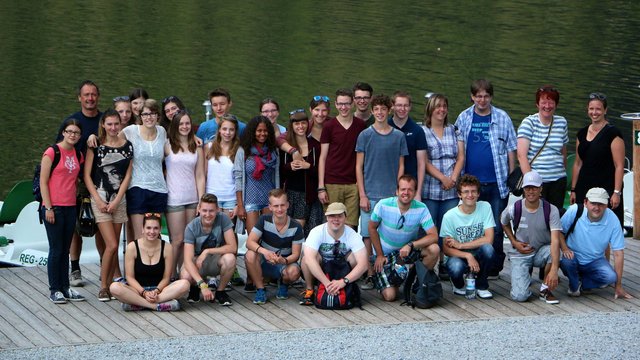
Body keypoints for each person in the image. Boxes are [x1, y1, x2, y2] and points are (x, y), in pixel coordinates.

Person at [455, 79, 517, 278]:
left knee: (497, 227)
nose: (482, 100)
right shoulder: (464, 117)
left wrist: (511, 176)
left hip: (497, 183)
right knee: (471, 226)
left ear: (491, 96)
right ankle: (471, 263)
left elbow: (510, 149)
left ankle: (494, 266)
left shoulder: (502, 117)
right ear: (472, 97)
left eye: (486, 96)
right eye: (478, 96)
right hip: (472, 185)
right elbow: (460, 150)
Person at [355, 94, 408, 288]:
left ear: (389, 111)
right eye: (376, 109)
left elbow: (401, 165)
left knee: (389, 231)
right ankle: (370, 273)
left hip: (390, 194)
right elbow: (358, 167)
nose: (379, 113)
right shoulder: (365, 135)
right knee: (368, 234)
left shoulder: (398, 136)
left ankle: (389, 269)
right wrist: (362, 194)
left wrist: (398, 188)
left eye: (383, 109)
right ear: (372, 111)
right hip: (370, 193)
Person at [56, 80, 103, 288]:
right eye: (86, 95)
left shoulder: (105, 120)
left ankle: (106, 266)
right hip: (77, 182)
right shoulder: (71, 122)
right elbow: (60, 150)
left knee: (102, 226)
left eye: (93, 94)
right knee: (77, 227)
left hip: (103, 180)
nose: (90, 98)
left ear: (98, 97)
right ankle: (74, 268)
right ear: (80, 98)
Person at [84, 109, 134, 301]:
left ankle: (112, 283)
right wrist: (97, 198)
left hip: (118, 200)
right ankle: (104, 286)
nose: (113, 128)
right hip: (100, 198)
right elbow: (87, 175)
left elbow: (127, 176)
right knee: (111, 244)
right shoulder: (96, 145)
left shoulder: (127, 146)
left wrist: (117, 200)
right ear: (103, 124)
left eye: (116, 124)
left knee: (112, 245)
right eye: (109, 124)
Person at [368, 175, 440, 301]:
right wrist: (379, 254)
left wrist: (411, 245)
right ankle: (392, 278)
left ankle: (418, 282)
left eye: (410, 190)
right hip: (385, 255)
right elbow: (372, 228)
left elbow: (434, 236)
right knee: (390, 296)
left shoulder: (421, 208)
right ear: (397, 191)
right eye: (403, 189)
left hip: (406, 252)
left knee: (434, 249)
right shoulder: (383, 205)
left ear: (414, 192)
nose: (406, 193)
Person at [41, 118, 86, 304]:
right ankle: (54, 289)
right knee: (56, 249)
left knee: (66, 249)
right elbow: (44, 181)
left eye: (76, 132)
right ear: (63, 132)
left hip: (70, 207)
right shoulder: (52, 152)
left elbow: (75, 179)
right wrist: (48, 207)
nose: (72, 135)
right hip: (54, 207)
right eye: (69, 131)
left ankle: (66, 287)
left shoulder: (78, 154)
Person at [501, 171, 562, 304]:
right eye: (528, 188)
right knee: (520, 296)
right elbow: (503, 222)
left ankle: (545, 289)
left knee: (556, 251)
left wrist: (554, 270)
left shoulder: (551, 210)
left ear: (541, 189)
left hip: (541, 250)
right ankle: (524, 281)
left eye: (534, 187)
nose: (531, 191)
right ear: (523, 189)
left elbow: (556, 240)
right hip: (520, 252)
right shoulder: (514, 208)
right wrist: (513, 241)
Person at [421, 93, 464, 279]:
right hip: (431, 187)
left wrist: (453, 178)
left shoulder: (454, 130)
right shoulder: (422, 131)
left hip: (452, 189)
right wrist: (442, 178)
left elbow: (461, 156)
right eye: (438, 106)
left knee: (449, 228)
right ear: (430, 108)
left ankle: (447, 262)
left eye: (444, 106)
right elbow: (424, 161)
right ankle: (431, 264)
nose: (441, 110)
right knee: (431, 229)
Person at [560, 188, 632, 299]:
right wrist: (565, 249)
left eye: (601, 204)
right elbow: (559, 232)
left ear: (607, 205)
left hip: (595, 260)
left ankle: (579, 283)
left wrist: (618, 286)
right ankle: (575, 285)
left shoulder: (613, 219)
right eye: (593, 203)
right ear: (585, 203)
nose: (597, 208)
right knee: (567, 262)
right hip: (572, 256)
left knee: (610, 277)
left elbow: (618, 253)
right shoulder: (574, 210)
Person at [109, 213, 189, 311]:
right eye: (148, 228)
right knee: (114, 287)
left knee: (185, 284)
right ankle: (156, 306)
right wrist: (144, 292)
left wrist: (156, 291)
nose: (152, 231)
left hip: (160, 291)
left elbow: (166, 277)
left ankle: (138, 303)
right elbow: (130, 277)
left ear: (160, 230)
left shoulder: (167, 247)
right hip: (138, 290)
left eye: (155, 228)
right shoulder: (132, 247)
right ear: (142, 229)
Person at [570, 93, 625, 227]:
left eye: (598, 109)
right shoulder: (581, 133)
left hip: (606, 187)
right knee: (583, 224)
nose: (594, 112)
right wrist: (573, 189)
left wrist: (616, 192)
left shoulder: (613, 134)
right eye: (591, 109)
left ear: (605, 110)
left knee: (606, 226)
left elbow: (619, 166)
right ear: (588, 110)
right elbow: (578, 163)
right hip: (584, 187)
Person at [300, 202, 368, 306]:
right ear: (326, 217)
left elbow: (364, 264)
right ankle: (310, 290)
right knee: (306, 259)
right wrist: (327, 283)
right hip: (321, 270)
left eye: (340, 216)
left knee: (355, 258)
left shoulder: (352, 234)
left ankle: (347, 287)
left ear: (345, 217)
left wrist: (343, 281)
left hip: (341, 271)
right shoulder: (317, 231)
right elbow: (309, 259)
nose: (336, 220)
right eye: (332, 216)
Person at [440, 174, 496, 299]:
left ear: (478, 194)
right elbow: (446, 249)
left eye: (473, 191)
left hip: (477, 251)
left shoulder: (485, 207)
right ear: (459, 195)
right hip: (458, 255)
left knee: (489, 249)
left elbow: (489, 239)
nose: (470, 195)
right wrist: (467, 255)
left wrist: (461, 245)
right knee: (455, 267)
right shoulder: (449, 216)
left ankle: (481, 285)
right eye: (466, 192)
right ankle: (458, 284)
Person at [317, 88, 366, 229]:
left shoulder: (360, 125)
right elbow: (323, 158)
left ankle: (348, 251)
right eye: (340, 104)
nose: (343, 107)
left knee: (351, 224)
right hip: (332, 182)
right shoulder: (329, 126)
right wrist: (321, 187)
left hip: (353, 184)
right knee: (332, 223)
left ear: (352, 104)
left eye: (347, 104)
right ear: (336, 105)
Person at [165, 110, 205, 278]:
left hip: (192, 199)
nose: (184, 126)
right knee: (177, 240)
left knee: (188, 241)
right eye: (181, 123)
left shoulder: (197, 146)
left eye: (187, 123)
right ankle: (169, 275)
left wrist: (201, 201)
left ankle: (184, 274)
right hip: (174, 198)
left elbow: (200, 175)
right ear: (175, 125)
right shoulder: (166, 145)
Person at [245, 189, 304, 304]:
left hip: (283, 262)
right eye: (276, 206)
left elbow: (296, 255)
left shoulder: (296, 226)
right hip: (264, 260)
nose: (280, 209)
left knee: (294, 272)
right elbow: (249, 242)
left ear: (287, 205)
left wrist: (284, 260)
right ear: (270, 207)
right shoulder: (263, 219)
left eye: (282, 205)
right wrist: (265, 252)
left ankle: (284, 283)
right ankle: (260, 289)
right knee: (250, 254)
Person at [121, 99, 168, 240]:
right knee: (140, 237)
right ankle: (138, 262)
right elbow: (111, 140)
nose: (149, 117)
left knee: (155, 236)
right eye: (145, 114)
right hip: (137, 188)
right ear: (140, 116)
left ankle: (155, 262)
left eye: (153, 113)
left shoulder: (162, 131)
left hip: (159, 189)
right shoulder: (131, 131)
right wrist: (94, 137)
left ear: (157, 115)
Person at [517, 86, 569, 210]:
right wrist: (531, 183)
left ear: (556, 104)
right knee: (535, 217)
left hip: (558, 180)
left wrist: (563, 173)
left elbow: (563, 152)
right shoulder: (529, 123)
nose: (547, 106)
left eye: (551, 102)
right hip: (536, 182)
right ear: (537, 104)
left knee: (555, 216)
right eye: (543, 102)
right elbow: (521, 156)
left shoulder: (562, 122)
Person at [180, 194, 237, 306]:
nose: (207, 214)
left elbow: (233, 247)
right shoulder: (191, 227)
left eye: (211, 211)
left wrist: (207, 251)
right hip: (198, 262)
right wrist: (203, 285)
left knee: (230, 258)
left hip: (214, 260)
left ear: (217, 210)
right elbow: (187, 260)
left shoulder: (223, 219)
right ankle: (195, 288)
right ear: (199, 209)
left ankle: (220, 291)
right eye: (204, 210)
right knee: (185, 276)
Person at [279, 109, 322, 232]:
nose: (300, 126)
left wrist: (308, 166)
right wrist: (289, 166)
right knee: (289, 227)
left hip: (308, 193)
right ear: (291, 126)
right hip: (290, 193)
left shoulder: (315, 146)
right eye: (297, 124)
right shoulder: (286, 146)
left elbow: (320, 171)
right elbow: (281, 170)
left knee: (303, 227)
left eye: (303, 123)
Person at [388, 91, 427, 201]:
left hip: (410, 186)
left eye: (405, 105)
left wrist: (418, 192)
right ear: (393, 106)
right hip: (388, 183)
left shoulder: (417, 130)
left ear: (410, 107)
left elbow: (421, 163)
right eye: (399, 105)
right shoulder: (386, 127)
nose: (402, 109)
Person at [205, 115, 241, 223]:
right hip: (211, 197)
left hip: (231, 198)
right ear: (219, 130)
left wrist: (238, 204)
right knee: (212, 232)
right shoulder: (209, 147)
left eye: (231, 129)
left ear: (235, 131)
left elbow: (240, 178)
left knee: (228, 232)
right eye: (224, 129)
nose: (227, 133)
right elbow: (204, 174)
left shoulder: (239, 150)